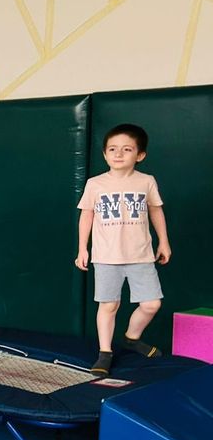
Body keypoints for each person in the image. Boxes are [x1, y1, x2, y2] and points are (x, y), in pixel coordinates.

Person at [75, 123, 170, 375]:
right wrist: (82, 249)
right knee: (109, 305)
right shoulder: (95, 183)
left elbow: (156, 211)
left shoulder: (146, 181)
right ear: (105, 154)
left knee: (151, 304)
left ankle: (131, 338)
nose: (118, 154)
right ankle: (105, 353)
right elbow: (86, 216)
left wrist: (164, 241)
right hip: (106, 256)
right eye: (112, 149)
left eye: (127, 149)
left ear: (140, 155)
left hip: (141, 255)